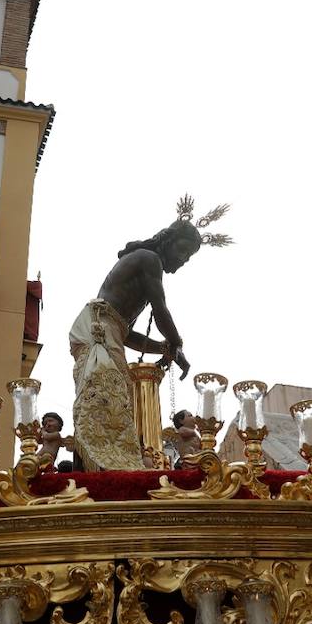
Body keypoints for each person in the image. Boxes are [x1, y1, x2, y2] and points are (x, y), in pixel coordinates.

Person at [68, 199, 230, 471]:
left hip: (108, 330)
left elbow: (127, 335)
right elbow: (161, 308)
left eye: (189, 256)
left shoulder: (145, 266)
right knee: (104, 394)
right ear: (169, 240)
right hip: (97, 328)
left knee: (112, 397)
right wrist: (176, 344)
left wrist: (164, 348)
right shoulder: (149, 259)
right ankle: (96, 468)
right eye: (183, 250)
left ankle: (99, 465)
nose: (183, 260)